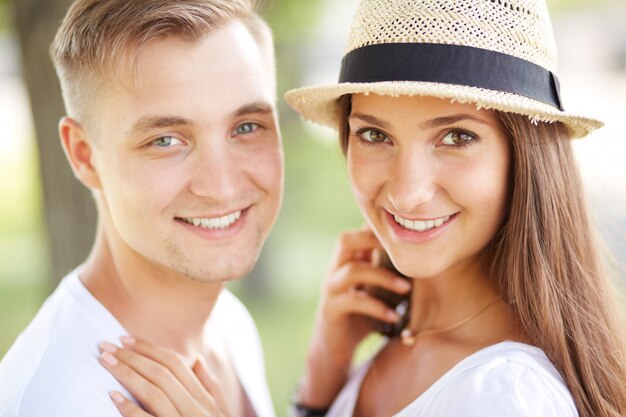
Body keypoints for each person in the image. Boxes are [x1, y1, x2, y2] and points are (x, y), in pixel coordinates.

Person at [84, 0, 625, 416]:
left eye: (457, 137)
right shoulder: (399, 346)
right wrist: (323, 383)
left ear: (524, 158)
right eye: (373, 134)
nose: (408, 191)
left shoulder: (506, 394)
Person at [0, 1, 281, 416]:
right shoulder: (61, 402)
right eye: (166, 140)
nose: (221, 186)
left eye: (245, 127)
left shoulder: (228, 323)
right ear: (84, 155)